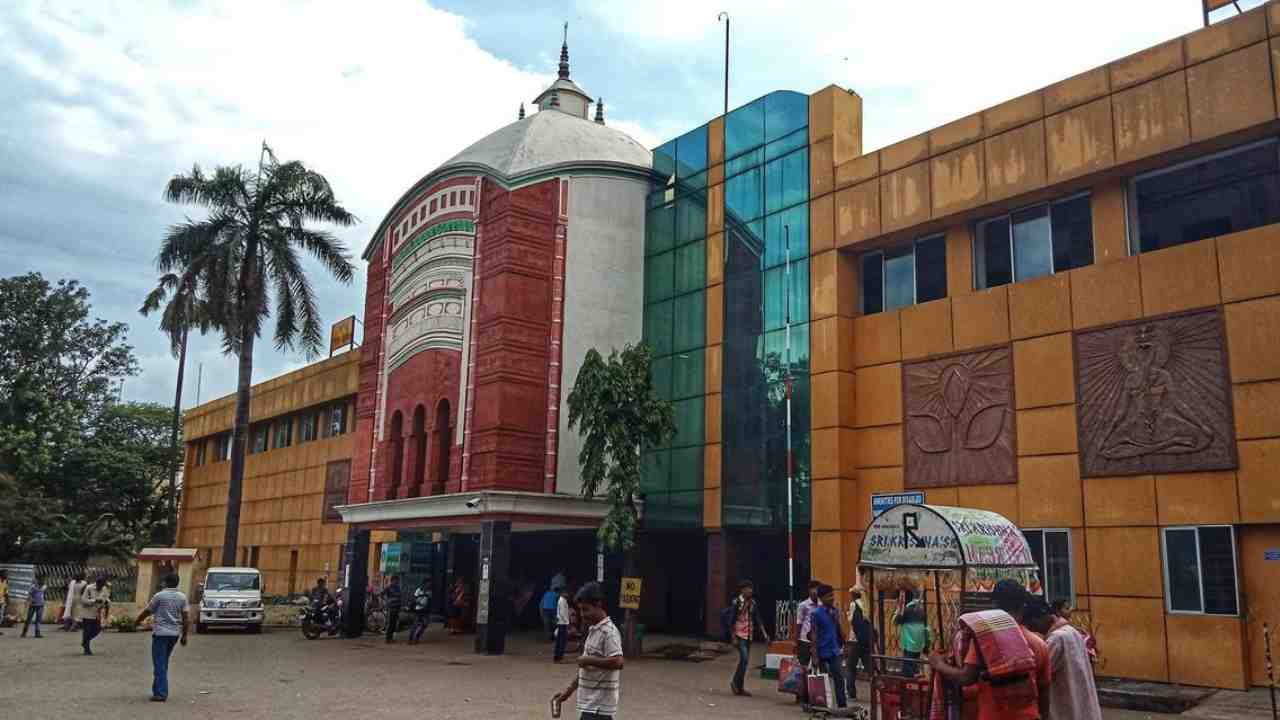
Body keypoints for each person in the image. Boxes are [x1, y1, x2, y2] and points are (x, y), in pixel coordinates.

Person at [928, 579, 1052, 720]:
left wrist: (938, 664)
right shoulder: (1040, 644)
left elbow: (966, 677)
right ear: (1023, 607)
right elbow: (1044, 692)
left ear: (994, 606)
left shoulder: (984, 639)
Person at [552, 582, 624, 720]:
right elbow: (586, 669)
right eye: (580, 610)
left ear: (598, 605)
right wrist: (567, 692)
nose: (582, 615)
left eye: (586, 609)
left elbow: (618, 662)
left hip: (599, 707)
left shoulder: (609, 632)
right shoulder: (593, 630)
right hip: (591, 706)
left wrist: (588, 660)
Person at [1025, 597, 1102, 720]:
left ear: (1041, 618)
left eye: (1032, 625)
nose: (1034, 629)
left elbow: (1039, 676)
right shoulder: (1071, 631)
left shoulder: (1057, 639)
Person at [135, 574, 189, 702]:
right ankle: (157, 690)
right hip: (174, 634)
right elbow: (186, 618)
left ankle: (161, 693)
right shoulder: (182, 597)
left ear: (165, 582)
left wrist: (136, 621)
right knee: (163, 662)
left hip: (160, 634)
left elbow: (148, 611)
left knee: (159, 664)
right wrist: (184, 635)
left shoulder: (159, 596)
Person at [725, 579, 771, 697]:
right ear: (742, 590)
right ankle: (735, 683)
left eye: (751, 588)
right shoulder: (736, 602)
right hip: (739, 634)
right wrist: (733, 637)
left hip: (749, 635)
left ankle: (739, 687)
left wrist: (765, 634)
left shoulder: (753, 603)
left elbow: (758, 619)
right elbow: (731, 621)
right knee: (744, 659)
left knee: (744, 662)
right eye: (748, 589)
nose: (750, 591)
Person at [810, 584, 849, 708]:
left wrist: (845, 644)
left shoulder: (834, 611)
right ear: (821, 598)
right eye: (828, 596)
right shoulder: (816, 614)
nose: (832, 598)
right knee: (822, 679)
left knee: (839, 677)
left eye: (832, 595)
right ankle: (821, 704)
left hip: (834, 650)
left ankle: (842, 705)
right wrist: (814, 655)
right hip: (821, 650)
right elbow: (814, 634)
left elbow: (838, 628)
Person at [793, 580, 822, 705]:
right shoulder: (803, 605)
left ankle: (814, 695)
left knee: (816, 668)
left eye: (817, 589)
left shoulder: (822, 605)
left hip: (818, 641)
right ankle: (800, 695)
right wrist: (796, 641)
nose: (815, 591)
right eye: (812, 589)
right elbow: (799, 623)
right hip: (804, 640)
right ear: (809, 591)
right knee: (802, 669)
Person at [894, 598, 931, 676]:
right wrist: (927, 643)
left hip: (908, 644)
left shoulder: (905, 611)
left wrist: (898, 609)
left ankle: (911, 676)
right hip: (919, 644)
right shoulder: (922, 612)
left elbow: (895, 621)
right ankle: (915, 674)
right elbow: (927, 629)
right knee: (915, 662)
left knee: (908, 666)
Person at [847, 584, 874, 681]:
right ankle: (874, 683)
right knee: (867, 662)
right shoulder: (866, 605)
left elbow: (851, 619)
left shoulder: (853, 604)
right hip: (866, 638)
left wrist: (847, 613)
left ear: (854, 594)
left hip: (855, 638)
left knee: (850, 665)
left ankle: (851, 688)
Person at [80, 575, 111, 655]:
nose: (101, 587)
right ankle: (87, 649)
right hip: (87, 613)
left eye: (103, 585)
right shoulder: (89, 588)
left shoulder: (104, 589)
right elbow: (83, 600)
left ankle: (85, 641)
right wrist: (94, 601)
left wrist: (106, 602)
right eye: (100, 585)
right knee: (87, 631)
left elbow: (106, 598)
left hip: (96, 613)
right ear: (97, 583)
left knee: (97, 629)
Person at [409, 579, 432, 644]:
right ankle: (410, 639)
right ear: (424, 584)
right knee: (415, 624)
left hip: (425, 610)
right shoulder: (418, 590)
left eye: (429, 584)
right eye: (428, 584)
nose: (429, 585)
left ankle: (417, 637)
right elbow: (414, 599)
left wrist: (428, 608)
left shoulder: (429, 591)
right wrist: (420, 604)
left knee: (425, 624)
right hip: (418, 609)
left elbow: (429, 600)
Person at [553, 586, 572, 663]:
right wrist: (567, 623)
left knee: (559, 641)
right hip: (563, 623)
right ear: (563, 593)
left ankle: (557, 657)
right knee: (562, 641)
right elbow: (563, 613)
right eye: (566, 593)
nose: (568, 594)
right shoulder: (562, 601)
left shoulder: (562, 600)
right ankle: (559, 658)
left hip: (561, 622)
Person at [382, 575, 403, 643]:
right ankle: (388, 639)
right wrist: (387, 600)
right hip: (391, 608)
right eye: (396, 580)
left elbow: (400, 597)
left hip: (397, 608)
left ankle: (391, 638)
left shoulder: (398, 588)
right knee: (390, 624)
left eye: (397, 581)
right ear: (392, 580)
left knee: (394, 624)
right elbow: (382, 594)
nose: (397, 582)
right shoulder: (388, 588)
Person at [0, 569, 8, 635]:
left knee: (1, 616)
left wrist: (8, 600)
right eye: (5, 574)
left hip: (2, 601)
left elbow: (6, 591)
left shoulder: (6, 581)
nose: (7, 575)